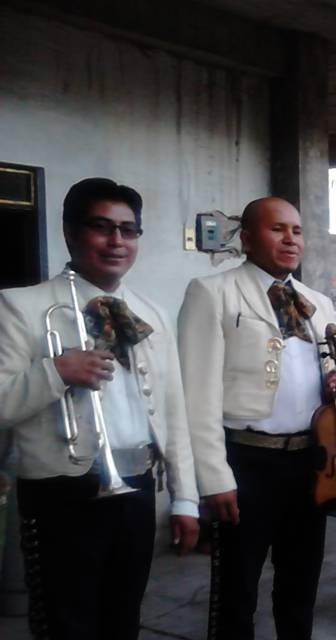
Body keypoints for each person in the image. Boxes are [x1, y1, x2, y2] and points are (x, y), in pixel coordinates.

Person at [0, 177, 199, 639]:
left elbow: (173, 414)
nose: (117, 241)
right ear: (70, 232)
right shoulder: (20, 306)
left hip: (136, 488)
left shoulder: (152, 312)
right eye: (102, 227)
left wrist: (186, 497)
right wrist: (55, 372)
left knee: (122, 620)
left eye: (128, 231)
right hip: (57, 493)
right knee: (65, 625)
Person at [178, 197, 336, 640]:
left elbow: (322, 373)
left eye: (296, 230)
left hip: (307, 463)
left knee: (300, 583)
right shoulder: (213, 292)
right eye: (277, 229)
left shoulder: (314, 301)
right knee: (236, 590)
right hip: (246, 461)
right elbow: (196, 393)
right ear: (247, 238)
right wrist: (213, 476)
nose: (290, 239)